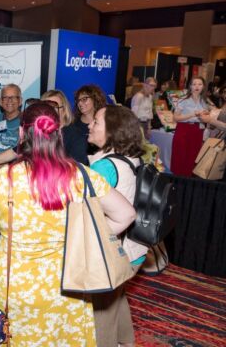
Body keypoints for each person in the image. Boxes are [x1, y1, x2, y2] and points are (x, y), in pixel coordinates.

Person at [0, 102, 135, 346]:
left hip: (14, 289)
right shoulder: (81, 175)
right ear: (59, 133)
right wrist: (84, 237)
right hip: (69, 286)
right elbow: (126, 215)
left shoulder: (9, 178)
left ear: (22, 134)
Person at [87, 105, 149, 347]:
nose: (89, 125)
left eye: (96, 122)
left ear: (112, 131)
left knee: (99, 314)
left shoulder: (104, 167)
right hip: (135, 249)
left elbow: (86, 212)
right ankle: (125, 341)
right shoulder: (131, 159)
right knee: (115, 297)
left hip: (113, 252)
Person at [0, 90, 89, 168]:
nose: (49, 110)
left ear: (64, 110)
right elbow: (15, 151)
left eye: (54, 106)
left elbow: (77, 170)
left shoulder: (75, 136)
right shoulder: (38, 131)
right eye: (45, 106)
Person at [171, 76, 211, 176]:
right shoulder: (183, 100)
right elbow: (175, 118)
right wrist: (193, 114)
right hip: (184, 129)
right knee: (180, 156)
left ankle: (188, 182)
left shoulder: (205, 101)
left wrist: (207, 114)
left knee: (193, 156)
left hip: (198, 130)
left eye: (200, 84)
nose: (197, 86)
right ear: (190, 86)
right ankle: (177, 181)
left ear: (203, 86)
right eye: (194, 84)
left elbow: (210, 114)